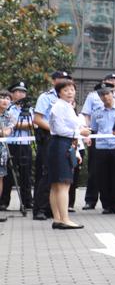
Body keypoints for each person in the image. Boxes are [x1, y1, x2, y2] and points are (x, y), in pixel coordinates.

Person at [47, 78, 91, 229]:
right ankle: (64, 219)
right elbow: (59, 129)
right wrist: (79, 131)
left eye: (72, 89)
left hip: (62, 144)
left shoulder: (66, 106)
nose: (70, 92)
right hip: (60, 144)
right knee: (63, 184)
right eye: (65, 90)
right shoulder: (60, 106)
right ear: (59, 93)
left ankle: (58, 219)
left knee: (56, 185)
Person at [32, 70, 73, 221]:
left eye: (68, 81)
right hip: (49, 138)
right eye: (61, 79)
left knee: (57, 178)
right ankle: (40, 208)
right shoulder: (46, 97)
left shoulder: (67, 101)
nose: (68, 88)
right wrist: (56, 130)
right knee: (46, 174)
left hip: (63, 138)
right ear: (54, 81)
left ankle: (54, 211)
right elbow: (37, 119)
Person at [0, 82, 34, 212]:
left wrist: (18, 124)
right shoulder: (9, 108)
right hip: (10, 145)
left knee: (26, 174)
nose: (21, 94)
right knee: (8, 174)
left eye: (23, 92)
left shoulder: (29, 109)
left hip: (25, 144)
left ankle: (27, 201)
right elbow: (12, 124)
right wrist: (21, 124)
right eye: (18, 91)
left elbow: (34, 125)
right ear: (12, 94)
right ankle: (4, 202)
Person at [88, 86, 115, 215]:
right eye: (102, 95)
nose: (105, 97)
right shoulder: (97, 112)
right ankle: (106, 205)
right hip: (101, 148)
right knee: (102, 177)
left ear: (112, 94)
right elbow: (94, 130)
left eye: (107, 94)